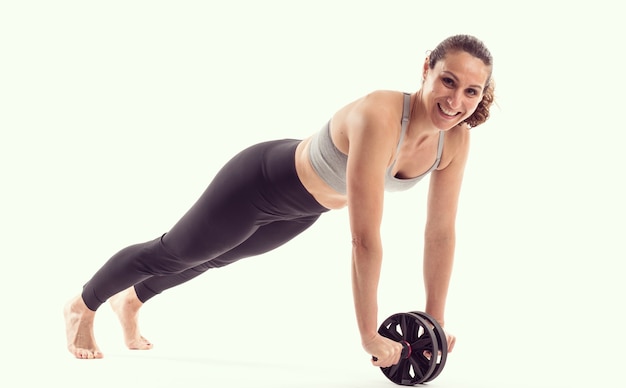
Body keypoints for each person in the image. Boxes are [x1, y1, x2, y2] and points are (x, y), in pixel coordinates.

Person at [64, 34, 495, 368]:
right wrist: (368, 334)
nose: (455, 102)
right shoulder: (380, 115)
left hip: (303, 210)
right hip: (257, 183)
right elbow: (365, 239)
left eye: (471, 92)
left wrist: (432, 324)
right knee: (173, 252)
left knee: (214, 258)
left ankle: (132, 300)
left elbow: (440, 233)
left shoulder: (453, 142)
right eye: (448, 81)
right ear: (426, 69)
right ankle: (83, 306)